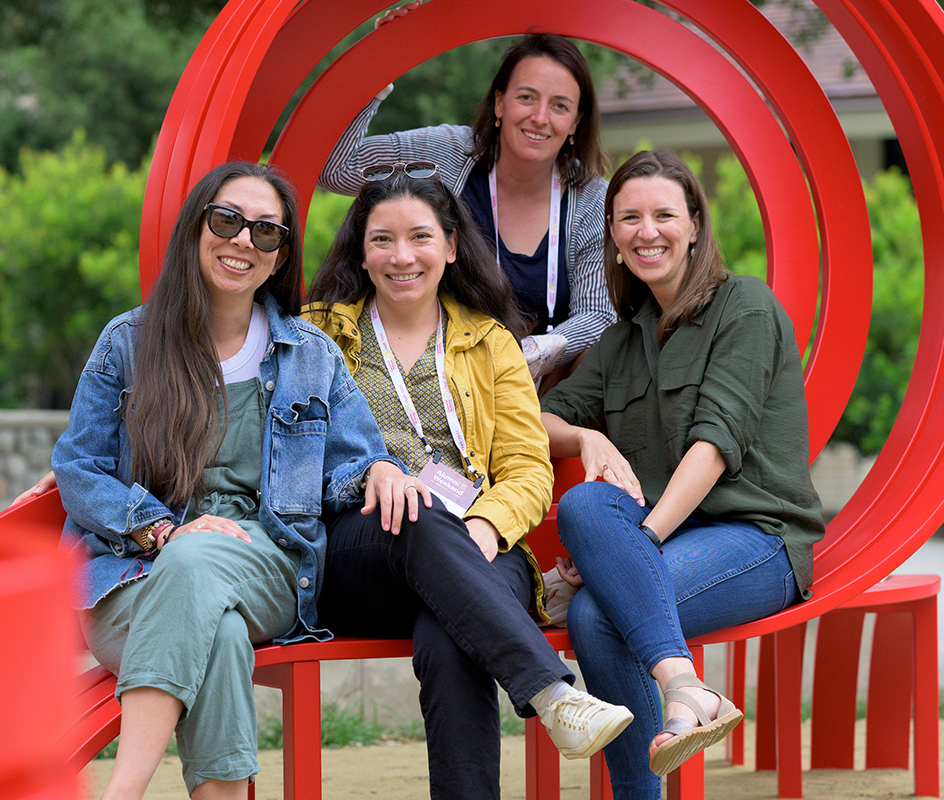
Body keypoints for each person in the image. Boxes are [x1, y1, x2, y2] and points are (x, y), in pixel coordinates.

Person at [52, 161, 414, 800]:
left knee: (200, 565)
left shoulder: (309, 354)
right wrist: (160, 528)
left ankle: (120, 792)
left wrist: (382, 467)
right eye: (228, 220)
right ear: (197, 228)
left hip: (266, 564)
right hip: (131, 576)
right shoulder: (128, 343)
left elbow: (353, 460)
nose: (244, 241)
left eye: (267, 233)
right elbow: (78, 469)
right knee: (214, 629)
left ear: (279, 257)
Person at [304, 170, 633, 800]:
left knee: (450, 634)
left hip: (480, 549)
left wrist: (485, 524)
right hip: (359, 553)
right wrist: (373, 478)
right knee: (422, 513)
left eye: (420, 237)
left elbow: (528, 468)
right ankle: (550, 690)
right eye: (383, 240)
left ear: (452, 246)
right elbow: (292, 455)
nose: (402, 256)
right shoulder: (318, 335)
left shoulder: (490, 341)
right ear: (361, 250)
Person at [539, 150, 825, 799]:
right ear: (612, 234)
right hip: (669, 538)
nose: (647, 231)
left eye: (664, 214)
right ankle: (686, 690)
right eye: (629, 217)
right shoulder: (621, 340)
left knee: (596, 614)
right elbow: (539, 421)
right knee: (587, 510)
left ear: (694, 224)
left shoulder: (744, 306)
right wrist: (585, 435)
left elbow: (715, 446)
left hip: (758, 538)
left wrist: (635, 548)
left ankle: (663, 736)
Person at [319, 14, 615, 383]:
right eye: (526, 97)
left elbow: (598, 316)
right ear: (499, 103)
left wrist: (531, 353)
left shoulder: (593, 199)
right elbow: (336, 168)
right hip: (437, 374)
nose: (540, 117)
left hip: (543, 386)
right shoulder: (449, 153)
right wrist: (379, 67)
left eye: (559, 106)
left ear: (575, 122)